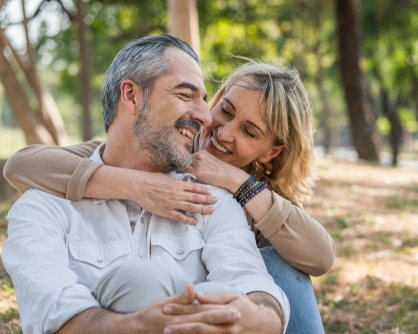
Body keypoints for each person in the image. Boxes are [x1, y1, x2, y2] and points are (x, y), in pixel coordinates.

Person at [4, 40, 336, 334]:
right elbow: (23, 165)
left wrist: (234, 180)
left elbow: (316, 257)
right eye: (225, 110)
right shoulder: (125, 156)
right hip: (128, 298)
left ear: (272, 151)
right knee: (139, 279)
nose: (221, 131)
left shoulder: (234, 200)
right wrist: (137, 184)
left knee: (280, 264)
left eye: (250, 132)